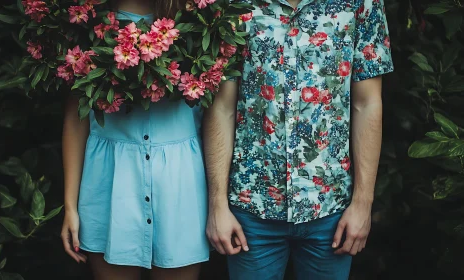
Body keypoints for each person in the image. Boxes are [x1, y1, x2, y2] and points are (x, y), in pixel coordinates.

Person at [204, 0, 394, 279]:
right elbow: (221, 106)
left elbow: (367, 104)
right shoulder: (234, 4)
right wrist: (217, 205)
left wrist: (363, 204)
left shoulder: (362, 3)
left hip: (332, 210)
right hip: (252, 207)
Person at [60, 1, 209, 279]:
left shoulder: (199, 19)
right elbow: (75, 120)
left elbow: (218, 115)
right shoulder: (91, 22)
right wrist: (70, 206)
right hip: (109, 184)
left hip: (180, 188)